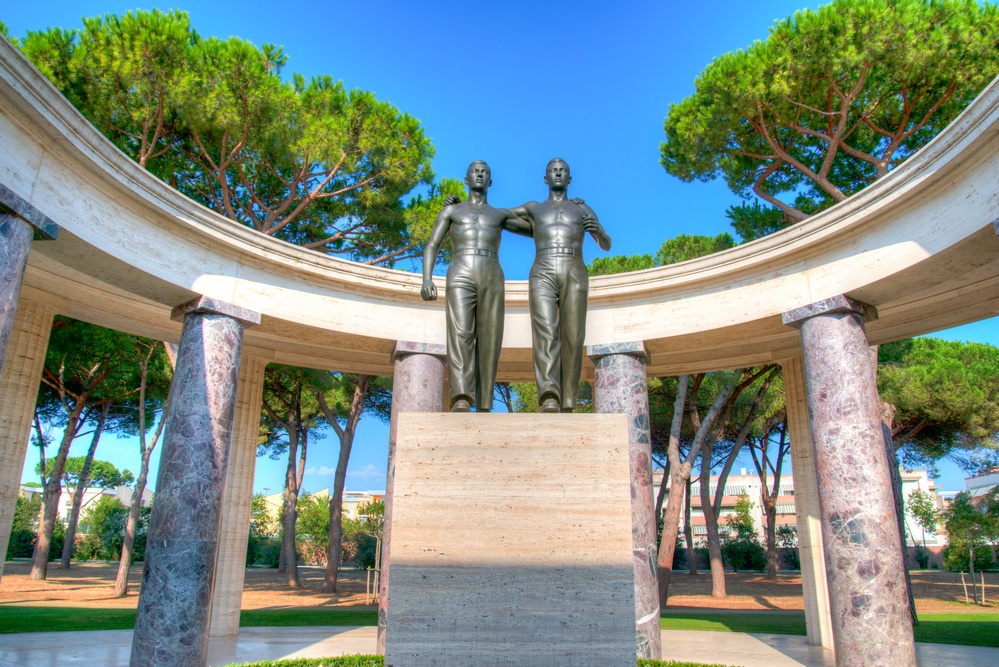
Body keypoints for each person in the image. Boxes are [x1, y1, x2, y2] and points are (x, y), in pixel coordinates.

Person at [422, 161, 531, 412]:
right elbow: (432, 245)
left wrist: (563, 209)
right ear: (466, 178)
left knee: (490, 340)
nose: (480, 174)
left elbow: (539, 230)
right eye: (475, 171)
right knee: (461, 333)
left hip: (492, 271)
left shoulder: (499, 214)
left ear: (490, 182)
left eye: (485, 172)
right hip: (461, 268)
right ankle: (461, 397)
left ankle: (485, 402)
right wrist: (427, 278)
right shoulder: (452, 211)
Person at [510, 158, 611, 413]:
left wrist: (597, 229)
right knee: (545, 332)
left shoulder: (582, 209)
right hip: (543, 267)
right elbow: (498, 217)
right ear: (546, 179)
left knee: (573, 337)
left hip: (574, 267)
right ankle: (549, 397)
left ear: (569, 179)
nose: (558, 173)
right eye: (553, 171)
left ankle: (568, 400)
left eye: (563, 170)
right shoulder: (534, 209)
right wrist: (461, 207)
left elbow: (606, 243)